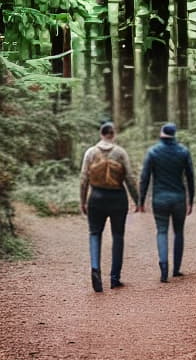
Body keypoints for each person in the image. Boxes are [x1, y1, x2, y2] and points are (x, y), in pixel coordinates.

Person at [79, 121, 139, 292]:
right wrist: (137, 200)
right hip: (117, 198)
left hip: (96, 197)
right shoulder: (120, 153)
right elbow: (129, 178)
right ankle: (114, 278)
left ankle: (96, 268)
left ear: (101, 134)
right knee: (118, 235)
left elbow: (84, 179)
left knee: (94, 234)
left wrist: (83, 201)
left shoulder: (90, 152)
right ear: (113, 134)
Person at [139, 122, 195, 282]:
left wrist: (141, 201)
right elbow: (190, 177)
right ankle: (176, 269)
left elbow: (145, 178)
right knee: (179, 232)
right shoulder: (183, 152)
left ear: (162, 133)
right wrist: (190, 200)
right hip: (179, 199)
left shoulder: (153, 152)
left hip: (159, 199)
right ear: (174, 134)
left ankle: (164, 268)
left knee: (162, 232)